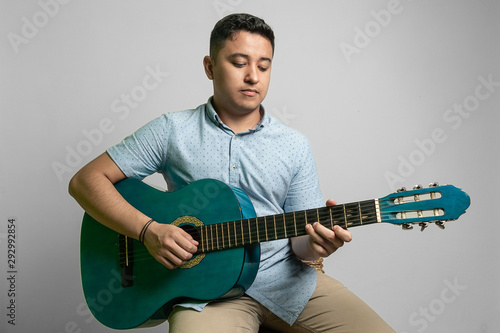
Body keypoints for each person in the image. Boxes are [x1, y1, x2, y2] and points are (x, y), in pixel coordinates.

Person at [69, 13, 394, 332]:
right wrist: (148, 231)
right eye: (239, 63)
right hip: (205, 295)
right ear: (210, 67)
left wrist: (318, 244)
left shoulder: (294, 145)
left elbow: (301, 244)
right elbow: (85, 181)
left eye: (264, 66)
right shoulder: (172, 130)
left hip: (289, 285)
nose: (253, 76)